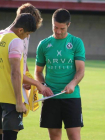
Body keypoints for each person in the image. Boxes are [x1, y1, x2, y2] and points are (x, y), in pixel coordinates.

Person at [0, 13, 53, 140]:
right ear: (20, 30)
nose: (26, 37)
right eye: (27, 34)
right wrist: (19, 102)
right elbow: (15, 73)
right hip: (11, 100)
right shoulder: (15, 41)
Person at [35, 9, 85, 140]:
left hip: (72, 97)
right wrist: (43, 86)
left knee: (74, 136)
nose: (57, 31)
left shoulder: (76, 43)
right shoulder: (43, 44)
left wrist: (73, 83)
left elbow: (81, 70)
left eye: (61, 28)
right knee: (55, 136)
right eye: (55, 27)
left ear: (68, 25)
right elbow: (38, 71)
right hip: (51, 98)